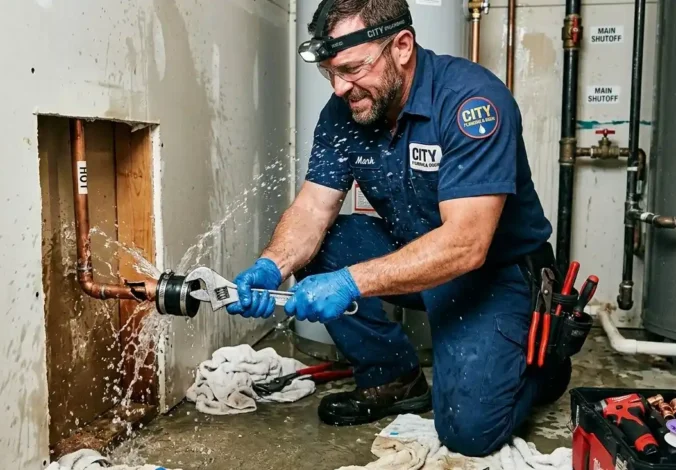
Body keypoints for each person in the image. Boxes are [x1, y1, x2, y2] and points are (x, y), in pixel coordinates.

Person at [227, 0, 571, 457]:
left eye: (351, 69)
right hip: (414, 251)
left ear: (402, 46)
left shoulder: (470, 102)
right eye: (330, 72)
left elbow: (467, 244)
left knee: (467, 433)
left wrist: (351, 282)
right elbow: (313, 208)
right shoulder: (344, 110)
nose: (339, 87)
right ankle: (392, 378)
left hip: (492, 273)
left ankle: (544, 365)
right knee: (322, 244)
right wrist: (272, 265)